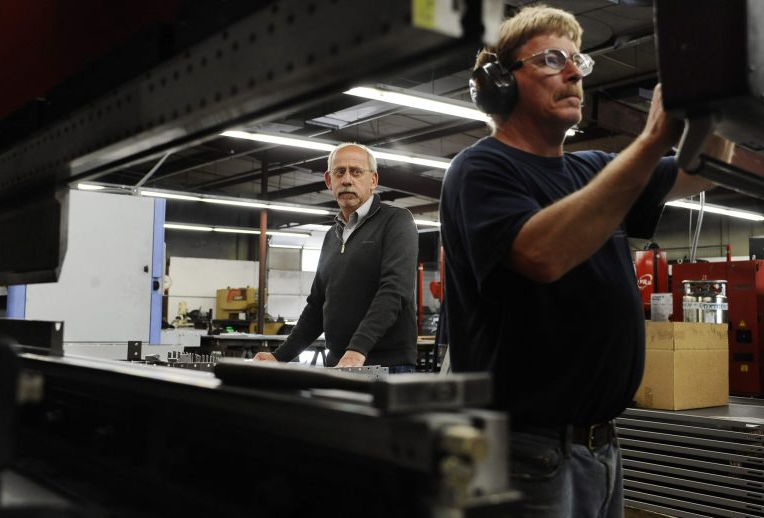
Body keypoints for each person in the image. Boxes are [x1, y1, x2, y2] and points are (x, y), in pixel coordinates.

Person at [439, 5, 726, 517]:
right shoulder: (479, 168)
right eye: (553, 59)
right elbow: (540, 254)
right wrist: (651, 137)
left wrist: (720, 95)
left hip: (599, 446)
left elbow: (703, 169)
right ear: (500, 83)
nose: (574, 72)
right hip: (520, 451)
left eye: (579, 61)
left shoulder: (592, 168)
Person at [253, 143, 419, 373]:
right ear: (329, 181)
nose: (347, 180)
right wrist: (280, 356)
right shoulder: (332, 236)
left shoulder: (397, 222)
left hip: (388, 365)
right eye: (339, 172)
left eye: (356, 171)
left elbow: (394, 290)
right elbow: (316, 306)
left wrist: (358, 349)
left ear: (373, 180)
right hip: (339, 364)